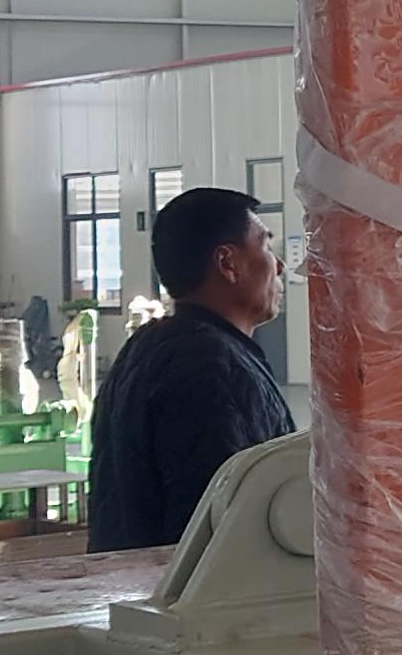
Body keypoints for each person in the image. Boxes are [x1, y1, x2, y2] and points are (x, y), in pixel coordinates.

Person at [84, 186, 296, 554]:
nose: (279, 266)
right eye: (266, 246)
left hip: (135, 580)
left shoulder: (149, 346)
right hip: (188, 586)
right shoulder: (211, 367)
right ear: (227, 263)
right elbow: (220, 523)